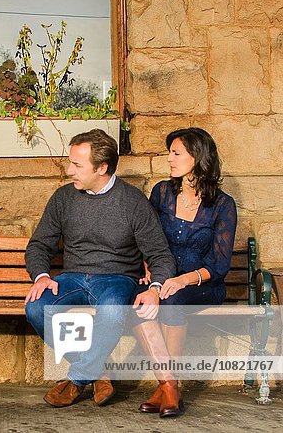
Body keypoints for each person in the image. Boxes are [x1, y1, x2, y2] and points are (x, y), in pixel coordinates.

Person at [25, 129, 176, 409]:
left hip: (116, 279)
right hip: (72, 278)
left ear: (102, 168)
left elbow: (160, 255)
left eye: (77, 165)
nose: (70, 170)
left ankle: (77, 378)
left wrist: (155, 288)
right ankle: (97, 371)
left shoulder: (132, 202)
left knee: (111, 310)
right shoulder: (63, 199)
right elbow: (38, 246)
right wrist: (42, 276)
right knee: (35, 307)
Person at [132, 127, 237, 418]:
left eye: (176, 153)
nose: (169, 158)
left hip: (202, 285)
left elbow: (219, 265)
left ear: (197, 157)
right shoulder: (162, 193)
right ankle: (169, 387)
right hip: (163, 280)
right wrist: (150, 274)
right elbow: (147, 239)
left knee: (172, 301)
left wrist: (181, 280)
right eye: (170, 152)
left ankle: (167, 387)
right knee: (141, 300)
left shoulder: (222, 205)